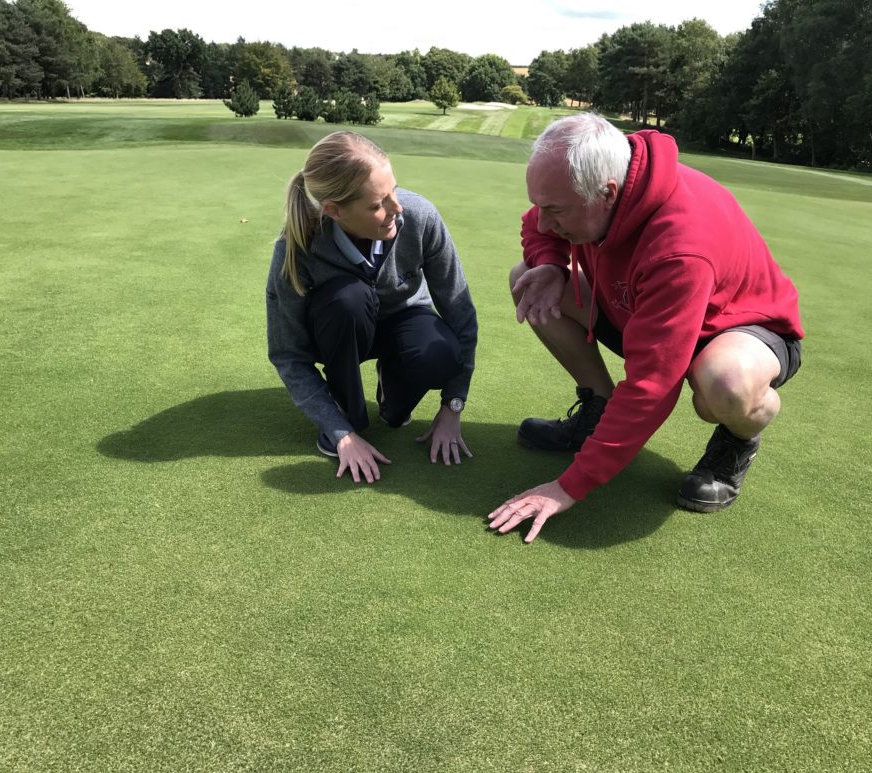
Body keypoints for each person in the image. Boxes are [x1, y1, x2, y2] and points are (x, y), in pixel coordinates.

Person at [488, 113, 803, 543]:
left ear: (608, 194)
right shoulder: (591, 181)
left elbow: (653, 384)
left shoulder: (680, 247)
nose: (544, 221)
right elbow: (536, 227)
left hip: (738, 330)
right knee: (526, 276)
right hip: (636, 308)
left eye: (555, 210)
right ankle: (596, 407)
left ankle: (738, 437)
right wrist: (550, 264)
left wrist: (568, 487)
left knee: (725, 387)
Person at [266, 131, 478, 484]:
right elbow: (288, 354)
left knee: (439, 355)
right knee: (348, 300)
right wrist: (340, 432)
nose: (397, 208)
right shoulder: (297, 245)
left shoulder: (420, 216)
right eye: (378, 203)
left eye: (393, 191)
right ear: (334, 210)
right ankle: (348, 413)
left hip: (406, 321)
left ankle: (390, 395)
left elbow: (461, 316)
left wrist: (453, 404)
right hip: (339, 327)